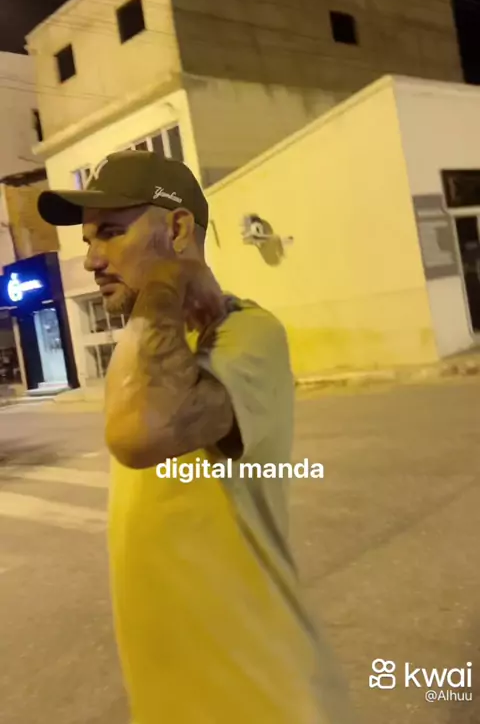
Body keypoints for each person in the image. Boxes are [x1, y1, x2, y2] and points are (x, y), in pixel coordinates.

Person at [38, 150, 355, 724]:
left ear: (179, 228)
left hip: (262, 700)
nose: (91, 260)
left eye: (110, 233)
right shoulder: (146, 338)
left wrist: (166, 279)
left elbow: (139, 434)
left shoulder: (244, 332)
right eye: (87, 241)